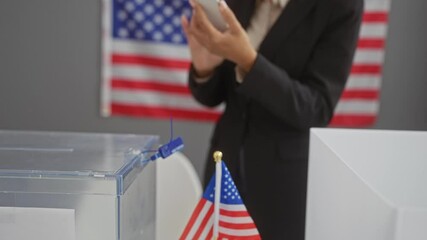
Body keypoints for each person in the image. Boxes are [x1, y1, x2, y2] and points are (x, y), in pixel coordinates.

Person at [181, 0, 363, 238]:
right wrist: (205, 69)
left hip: (281, 185)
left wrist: (249, 61)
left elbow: (317, 108)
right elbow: (220, 93)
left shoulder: (341, 5)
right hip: (225, 161)